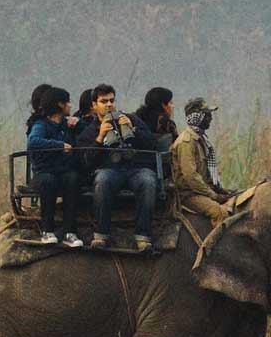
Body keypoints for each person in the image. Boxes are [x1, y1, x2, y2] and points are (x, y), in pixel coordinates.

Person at [74, 84, 161, 252]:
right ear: (94, 105)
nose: (109, 105)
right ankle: (101, 235)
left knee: (148, 181)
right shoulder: (89, 131)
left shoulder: (131, 118)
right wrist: (99, 138)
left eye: (111, 100)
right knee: (103, 181)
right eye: (103, 101)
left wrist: (133, 129)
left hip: (136, 168)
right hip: (108, 170)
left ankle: (143, 237)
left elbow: (152, 143)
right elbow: (86, 163)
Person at [25, 84, 83, 247]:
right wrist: (59, 145)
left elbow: (87, 132)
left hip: (63, 171)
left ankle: (70, 232)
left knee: (72, 178)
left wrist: (79, 123)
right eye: (68, 102)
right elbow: (33, 142)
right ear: (60, 104)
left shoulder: (67, 124)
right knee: (48, 181)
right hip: (44, 172)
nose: (71, 106)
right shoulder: (41, 125)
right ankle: (47, 230)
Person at [170, 97, 236, 226]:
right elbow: (191, 176)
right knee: (219, 212)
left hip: (201, 190)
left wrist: (219, 189)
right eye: (207, 115)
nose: (210, 118)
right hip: (189, 195)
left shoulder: (201, 139)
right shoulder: (186, 142)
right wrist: (213, 195)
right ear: (197, 116)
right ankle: (217, 246)